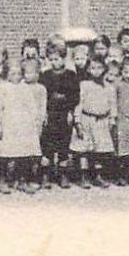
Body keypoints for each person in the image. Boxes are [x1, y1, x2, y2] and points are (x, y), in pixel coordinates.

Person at [0, 60, 44, 192]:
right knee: (6, 153)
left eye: (19, 74)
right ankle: (3, 180)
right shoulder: (2, 88)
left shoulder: (25, 88)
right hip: (9, 123)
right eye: (13, 73)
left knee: (23, 153)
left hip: (24, 124)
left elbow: (32, 106)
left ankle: (21, 179)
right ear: (6, 74)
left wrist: (34, 121)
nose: (16, 76)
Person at [39, 45, 81, 187]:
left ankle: (63, 175)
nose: (54, 62)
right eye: (51, 60)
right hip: (50, 114)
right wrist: (43, 113)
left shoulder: (71, 75)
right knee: (47, 145)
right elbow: (42, 96)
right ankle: (46, 174)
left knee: (63, 145)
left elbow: (75, 96)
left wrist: (70, 112)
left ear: (64, 58)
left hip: (64, 115)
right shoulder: (45, 76)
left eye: (57, 59)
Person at [71, 57, 114, 188]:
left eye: (99, 68)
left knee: (99, 150)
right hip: (86, 119)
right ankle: (84, 176)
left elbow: (113, 104)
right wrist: (77, 121)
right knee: (84, 149)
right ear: (88, 70)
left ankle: (97, 176)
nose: (96, 71)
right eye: (93, 68)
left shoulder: (109, 87)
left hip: (102, 121)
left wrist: (112, 119)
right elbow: (79, 103)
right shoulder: (84, 85)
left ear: (105, 69)